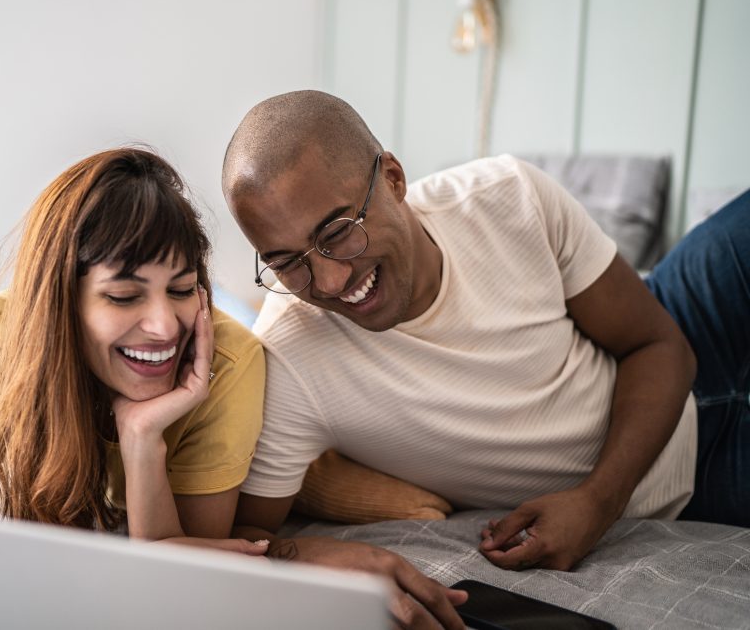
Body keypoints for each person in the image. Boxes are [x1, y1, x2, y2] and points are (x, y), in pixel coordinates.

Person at [222, 90, 748, 629]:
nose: (330, 282)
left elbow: (660, 345)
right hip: (705, 469)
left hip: (699, 311)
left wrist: (598, 501)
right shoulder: (289, 359)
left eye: (337, 232)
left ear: (394, 180)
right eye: (287, 262)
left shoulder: (508, 194)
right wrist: (317, 555)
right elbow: (233, 543)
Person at [0, 147, 267, 553]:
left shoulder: (227, 364)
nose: (166, 326)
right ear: (60, 301)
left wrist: (141, 436)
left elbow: (181, 576)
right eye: (123, 296)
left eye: (182, 289)